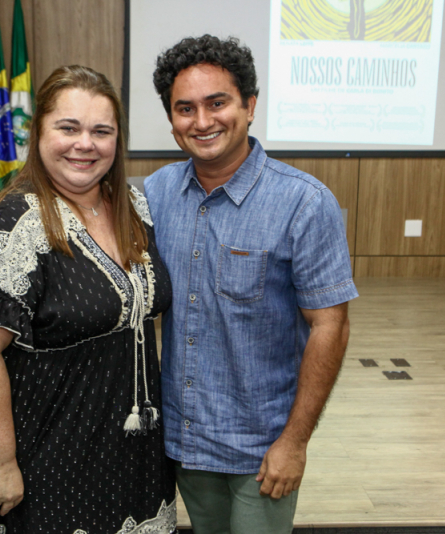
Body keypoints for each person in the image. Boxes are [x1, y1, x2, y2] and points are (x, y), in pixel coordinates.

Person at [0, 65, 176, 534]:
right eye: (68, 128)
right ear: (38, 132)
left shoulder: (132, 206)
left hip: (132, 453)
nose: (84, 144)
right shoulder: (17, 222)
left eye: (101, 131)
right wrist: (0, 464)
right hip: (48, 455)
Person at [144, 35, 358, 534]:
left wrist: (295, 442)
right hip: (184, 441)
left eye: (217, 103)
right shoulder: (155, 194)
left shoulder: (304, 203)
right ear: (172, 120)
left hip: (262, 450)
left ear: (250, 106)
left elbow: (331, 327)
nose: (202, 121)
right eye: (185, 108)